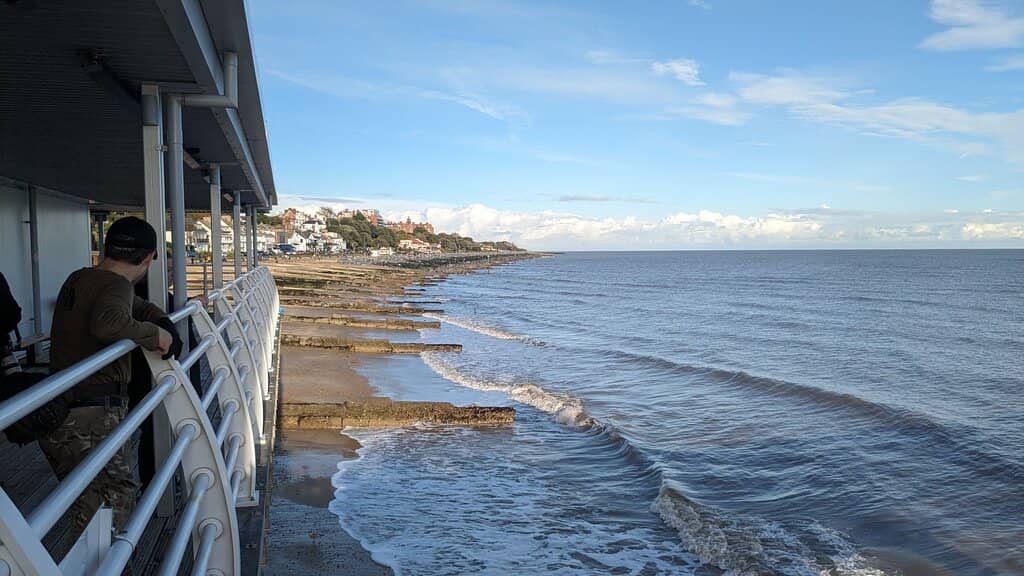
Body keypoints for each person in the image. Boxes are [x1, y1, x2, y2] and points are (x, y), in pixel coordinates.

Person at [38, 216, 176, 536]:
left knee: (86, 501)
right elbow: (109, 323)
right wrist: (157, 335)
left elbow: (135, 304)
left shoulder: (81, 278)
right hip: (92, 414)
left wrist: (160, 317)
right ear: (148, 258)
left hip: (60, 409)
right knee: (114, 498)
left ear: (105, 248)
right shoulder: (115, 286)